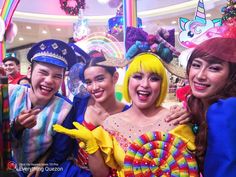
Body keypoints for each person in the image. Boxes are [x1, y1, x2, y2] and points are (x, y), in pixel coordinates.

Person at [54, 52, 199, 176]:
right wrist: (91, 147)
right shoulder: (110, 123)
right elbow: (102, 174)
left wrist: (193, 114)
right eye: (137, 76)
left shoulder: (176, 120)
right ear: (128, 81)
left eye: (154, 78)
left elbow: (189, 167)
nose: (145, 84)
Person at [8, 39, 77, 177]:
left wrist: (44, 165)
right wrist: (16, 126)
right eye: (43, 72)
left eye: (57, 76)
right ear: (29, 72)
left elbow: (59, 154)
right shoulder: (9, 93)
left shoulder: (66, 110)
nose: (49, 80)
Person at [186, 37, 236, 177]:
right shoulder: (196, 106)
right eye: (196, 65)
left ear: (232, 75)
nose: (200, 75)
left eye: (214, 68)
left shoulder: (226, 109)